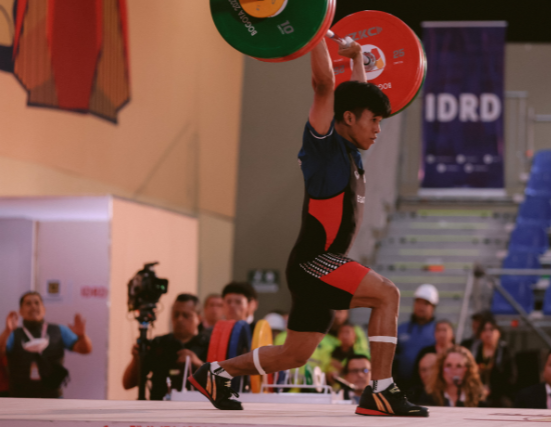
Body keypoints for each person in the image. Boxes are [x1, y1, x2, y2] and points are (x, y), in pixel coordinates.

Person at [188, 38, 427, 417]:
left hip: (320, 266)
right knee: (387, 295)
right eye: (375, 120)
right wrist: (317, 33)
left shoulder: (351, 154)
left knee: (293, 354)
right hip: (316, 262)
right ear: (348, 118)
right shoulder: (323, 147)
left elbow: (353, 97)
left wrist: (356, 62)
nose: (378, 128)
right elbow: (325, 88)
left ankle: (217, 372)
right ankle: (381, 390)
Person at [0, 291, 92, 398]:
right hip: (19, 396)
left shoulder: (59, 330)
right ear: (20, 311)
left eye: (37, 303)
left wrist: (82, 336)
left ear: (44, 309)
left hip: (53, 396)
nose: (33, 306)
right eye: (28, 303)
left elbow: (84, 350)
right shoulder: (13, 333)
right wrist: (7, 331)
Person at [123, 294, 209, 400]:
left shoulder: (209, 345)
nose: (179, 319)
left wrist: (198, 363)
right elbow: (128, 384)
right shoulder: (159, 343)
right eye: (176, 314)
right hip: (158, 410)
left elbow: (221, 384)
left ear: (199, 318)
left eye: (186, 315)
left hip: (196, 410)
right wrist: (136, 359)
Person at [395, 284, 439, 390]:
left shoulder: (438, 330)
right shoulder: (401, 329)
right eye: (418, 302)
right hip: (402, 385)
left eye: (426, 303)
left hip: (429, 387)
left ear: (433, 307)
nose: (421, 306)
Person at [470, 315, 515, 407]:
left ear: (498, 332)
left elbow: (511, 377)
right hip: (476, 395)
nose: (488, 333)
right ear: (480, 334)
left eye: (491, 329)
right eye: (484, 330)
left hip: (500, 396)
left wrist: (491, 390)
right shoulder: (474, 350)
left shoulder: (505, 351)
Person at [419, 346, 484, 407]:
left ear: (466, 370)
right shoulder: (429, 396)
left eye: (458, 366)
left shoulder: (477, 397)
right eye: (449, 365)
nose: (453, 371)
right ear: (441, 368)